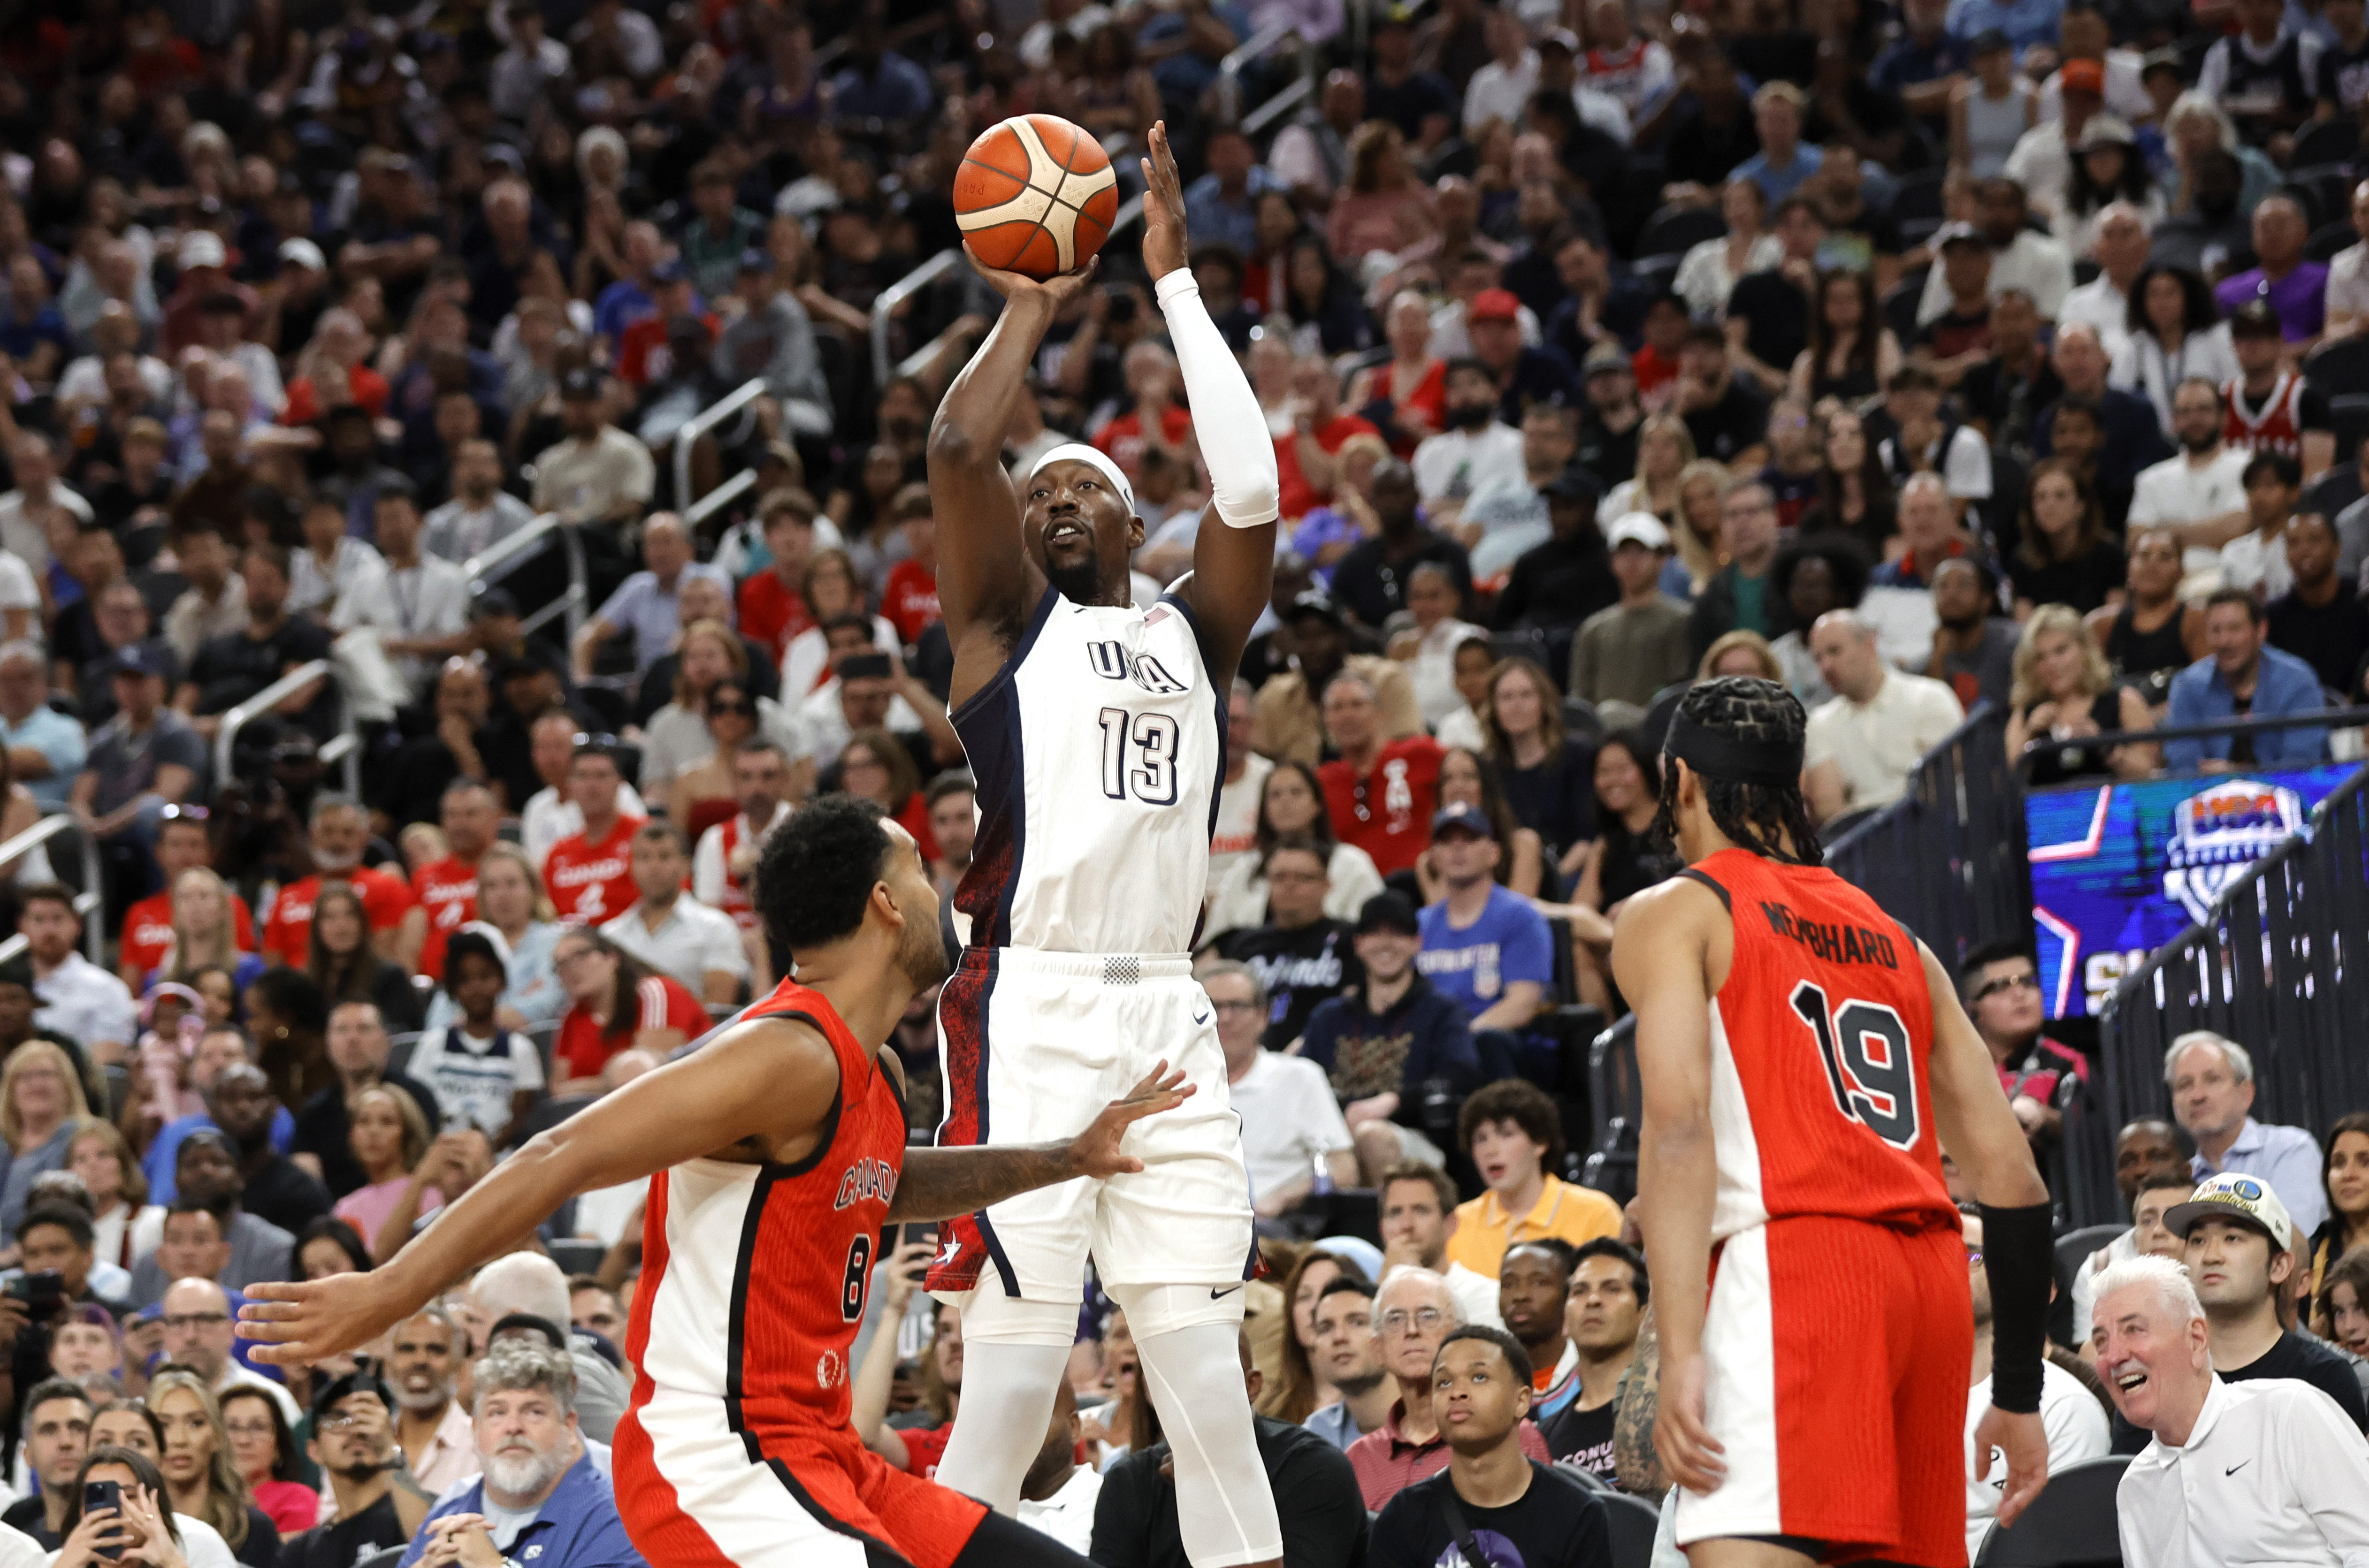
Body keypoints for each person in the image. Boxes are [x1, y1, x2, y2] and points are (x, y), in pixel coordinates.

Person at [235, 797, 1188, 1568]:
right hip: (717, 1458)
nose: (944, 894)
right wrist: (386, 1291)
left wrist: (1065, 1157)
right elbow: (554, 1156)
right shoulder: (783, 1054)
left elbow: (878, 1185)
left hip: (821, 1451)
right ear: (885, 907)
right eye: (918, 873)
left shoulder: (874, 1074)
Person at [1613, 676, 2055, 1563]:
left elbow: (1676, 1134)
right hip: (1927, 1281)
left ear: (1680, 781)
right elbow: (2014, 1183)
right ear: (1795, 785)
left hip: (1798, 1270)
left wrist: (1680, 1350)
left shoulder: (1676, 910)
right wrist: (2015, 1389)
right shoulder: (1900, 940)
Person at [2096, 1255, 2369, 1568]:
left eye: (2134, 1330)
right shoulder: (2135, 1487)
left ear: (2196, 1339)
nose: (2114, 1356)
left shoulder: (2288, 1412)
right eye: (2101, 1342)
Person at [1089, 1331, 1368, 1568]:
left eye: (1207, 1372)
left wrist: (1212, 1491)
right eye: (1170, 1374)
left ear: (1251, 1386)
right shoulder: (1127, 1482)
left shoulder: (1315, 1470)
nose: (1187, 1388)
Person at [1368, 1325, 1612, 1568]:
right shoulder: (1403, 1516)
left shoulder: (1577, 1513)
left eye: (1479, 1377)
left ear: (1522, 1401)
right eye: (1443, 1383)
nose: (1457, 1393)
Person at [395, 1340, 636, 1568]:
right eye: (497, 1413)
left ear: (569, 1426)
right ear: (476, 1430)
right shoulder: (452, 1510)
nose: (513, 1426)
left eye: (534, 1412)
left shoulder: (616, 1515)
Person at [1298, 892, 1482, 1186]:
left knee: (1371, 1135)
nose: (1386, 943)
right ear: (1358, 944)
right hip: (1335, 1140)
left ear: (1417, 943)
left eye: (1398, 934)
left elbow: (1461, 1077)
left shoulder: (1442, 1011)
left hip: (1416, 1142)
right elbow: (1303, 1083)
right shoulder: (1329, 1018)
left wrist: (1392, 1101)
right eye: (1374, 933)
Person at [1961, 1212, 2108, 1559]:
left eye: (1970, 1254)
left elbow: (2062, 1548)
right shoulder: (1888, 1395)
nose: (1950, 1264)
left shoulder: (2064, 1405)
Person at [1344, 1269, 1550, 1509]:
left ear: (1461, 1334)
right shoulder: (1359, 1459)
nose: (1411, 1330)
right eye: (1396, 1319)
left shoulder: (1510, 1436)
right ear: (1377, 1349)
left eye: (1428, 1316)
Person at [1203, 961, 1355, 1218]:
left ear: (1263, 1017)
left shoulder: (1298, 1078)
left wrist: (1285, 1197)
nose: (1225, 1018)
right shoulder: (1176, 1084)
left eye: (1237, 1006)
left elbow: (1344, 1169)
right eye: (1213, 1006)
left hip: (1274, 1225)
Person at [1803, 610, 1968, 822]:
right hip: (1860, 844)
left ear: (1869, 645)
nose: (1826, 667)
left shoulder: (1930, 697)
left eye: (1835, 651)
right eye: (1818, 658)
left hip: (1932, 830)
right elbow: (1830, 811)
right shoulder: (1819, 722)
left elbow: (1943, 786)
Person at [1445, 1081, 1620, 1279]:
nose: (1490, 1150)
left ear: (1540, 1143)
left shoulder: (1596, 1213)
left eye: (1506, 1134)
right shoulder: (1457, 1223)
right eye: (1481, 1139)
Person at [274, 1367, 435, 1568]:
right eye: (338, 1420)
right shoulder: (301, 1552)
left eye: (367, 1419)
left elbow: (432, 1545)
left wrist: (388, 1449)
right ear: (314, 1451)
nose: (356, 1430)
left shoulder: (414, 1513)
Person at [404, 932, 545, 1148]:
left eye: (485, 977)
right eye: (465, 980)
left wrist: (484, 1151)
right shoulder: (433, 1045)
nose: (476, 987)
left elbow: (521, 1119)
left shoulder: (521, 1049)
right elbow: (417, 1107)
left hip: (500, 1163)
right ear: (452, 989)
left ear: (501, 981)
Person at [2163, 591, 2330, 772]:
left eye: (2235, 629)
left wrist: (2235, 776)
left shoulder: (2297, 681)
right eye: (2216, 631)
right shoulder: (2188, 686)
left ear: (2261, 631)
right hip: (2209, 797)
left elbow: (2302, 765)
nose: (2224, 641)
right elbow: (2182, 765)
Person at [2004, 606, 2158, 785]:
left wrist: (2104, 745)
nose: (2052, 664)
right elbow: (2010, 781)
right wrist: (2030, 734)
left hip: (2115, 809)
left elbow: (2149, 772)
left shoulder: (2123, 700)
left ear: (2085, 649)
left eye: (2061, 650)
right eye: (2041, 657)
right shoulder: (2026, 711)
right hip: (2046, 811)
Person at [599, 822, 747, 1004]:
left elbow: (717, 1011)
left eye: (665, 857)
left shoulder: (717, 927)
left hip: (698, 1032)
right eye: (644, 858)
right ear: (632, 867)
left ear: (686, 865)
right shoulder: (610, 935)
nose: (654, 867)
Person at [1317, 673, 1445, 879]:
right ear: (1326, 721)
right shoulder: (1319, 782)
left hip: (1423, 883)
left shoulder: (1422, 754)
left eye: (1357, 705)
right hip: (1355, 893)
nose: (1348, 715)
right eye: (1337, 708)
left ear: (1379, 713)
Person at [1539, 1239, 1647, 1483]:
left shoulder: (1669, 1411)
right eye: (1580, 1291)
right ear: (1565, 1322)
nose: (1593, 1300)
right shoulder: (1541, 1440)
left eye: (1612, 1289)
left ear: (1645, 1315)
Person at [146, 1367, 277, 1567]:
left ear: (217, 1436)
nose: (179, 1440)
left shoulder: (255, 1530)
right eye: (164, 1425)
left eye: (196, 1424)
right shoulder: (130, 1531)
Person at [548, 926, 707, 1089]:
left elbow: (645, 1076)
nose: (571, 968)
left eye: (581, 955)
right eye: (561, 964)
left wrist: (588, 1086)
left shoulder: (656, 992)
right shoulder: (571, 1017)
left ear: (612, 958)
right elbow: (559, 1090)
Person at [1569, 515, 1691, 713]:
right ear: (1612, 561)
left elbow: (1680, 693)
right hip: (1604, 735)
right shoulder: (1593, 629)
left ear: (1661, 560)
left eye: (1642, 552)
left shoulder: (1682, 620)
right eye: (1624, 552)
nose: (1632, 561)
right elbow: (1581, 699)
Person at [1380, 1164, 1504, 1328]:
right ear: (1382, 1228)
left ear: (1451, 1225)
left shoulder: (1484, 1295)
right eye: (1395, 1213)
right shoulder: (1367, 1300)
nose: (1406, 1225)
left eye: (1421, 1211)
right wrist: (1384, 1283)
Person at [22, 887, 136, 1065]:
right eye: (39, 920)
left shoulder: (106, 989)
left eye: (58, 919)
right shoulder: (11, 986)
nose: (49, 930)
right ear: (22, 926)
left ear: (77, 925)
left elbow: (108, 1067)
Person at [540, 743, 647, 925]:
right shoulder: (558, 853)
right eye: (582, 776)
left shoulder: (645, 838)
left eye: (602, 776)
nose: (592, 785)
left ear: (619, 783)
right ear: (569, 786)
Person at [2267, 513, 2369, 696]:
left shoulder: (2363, 603)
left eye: (2314, 540)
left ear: (2337, 548)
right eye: (2294, 543)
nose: (2304, 550)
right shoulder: (2273, 617)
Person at [303, 883, 423, 1033]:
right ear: (316, 929)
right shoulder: (305, 984)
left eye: (350, 915)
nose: (341, 927)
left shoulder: (390, 978)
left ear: (362, 924)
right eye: (330, 917)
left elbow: (399, 1036)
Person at [1, 1040, 90, 1243]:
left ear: (68, 1086)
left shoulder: (85, 1138)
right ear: (11, 1091)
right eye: (25, 1077)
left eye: (46, 1075)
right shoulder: (4, 1145)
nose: (36, 1084)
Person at [1301, 1278, 1392, 1450]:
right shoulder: (1314, 1437)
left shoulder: (1438, 1423)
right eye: (1326, 1328)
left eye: (1358, 1322)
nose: (1339, 1337)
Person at [214, 1386, 312, 1538]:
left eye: (258, 1428)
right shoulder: (198, 1498)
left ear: (278, 1446)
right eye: (232, 1428)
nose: (243, 1440)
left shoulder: (298, 1499)